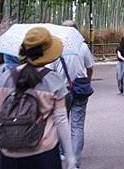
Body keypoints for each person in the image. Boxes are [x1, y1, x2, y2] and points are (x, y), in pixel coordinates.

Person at [0, 27, 76, 169]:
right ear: (47, 53)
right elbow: (61, 121)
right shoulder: (53, 80)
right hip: (43, 155)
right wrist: (70, 157)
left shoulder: (4, 78)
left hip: (9, 156)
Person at [47, 20, 94, 169]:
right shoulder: (83, 46)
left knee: (61, 124)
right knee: (77, 127)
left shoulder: (54, 48)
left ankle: (63, 158)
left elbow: (50, 71)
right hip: (80, 88)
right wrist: (87, 81)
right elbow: (90, 67)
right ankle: (75, 163)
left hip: (61, 91)